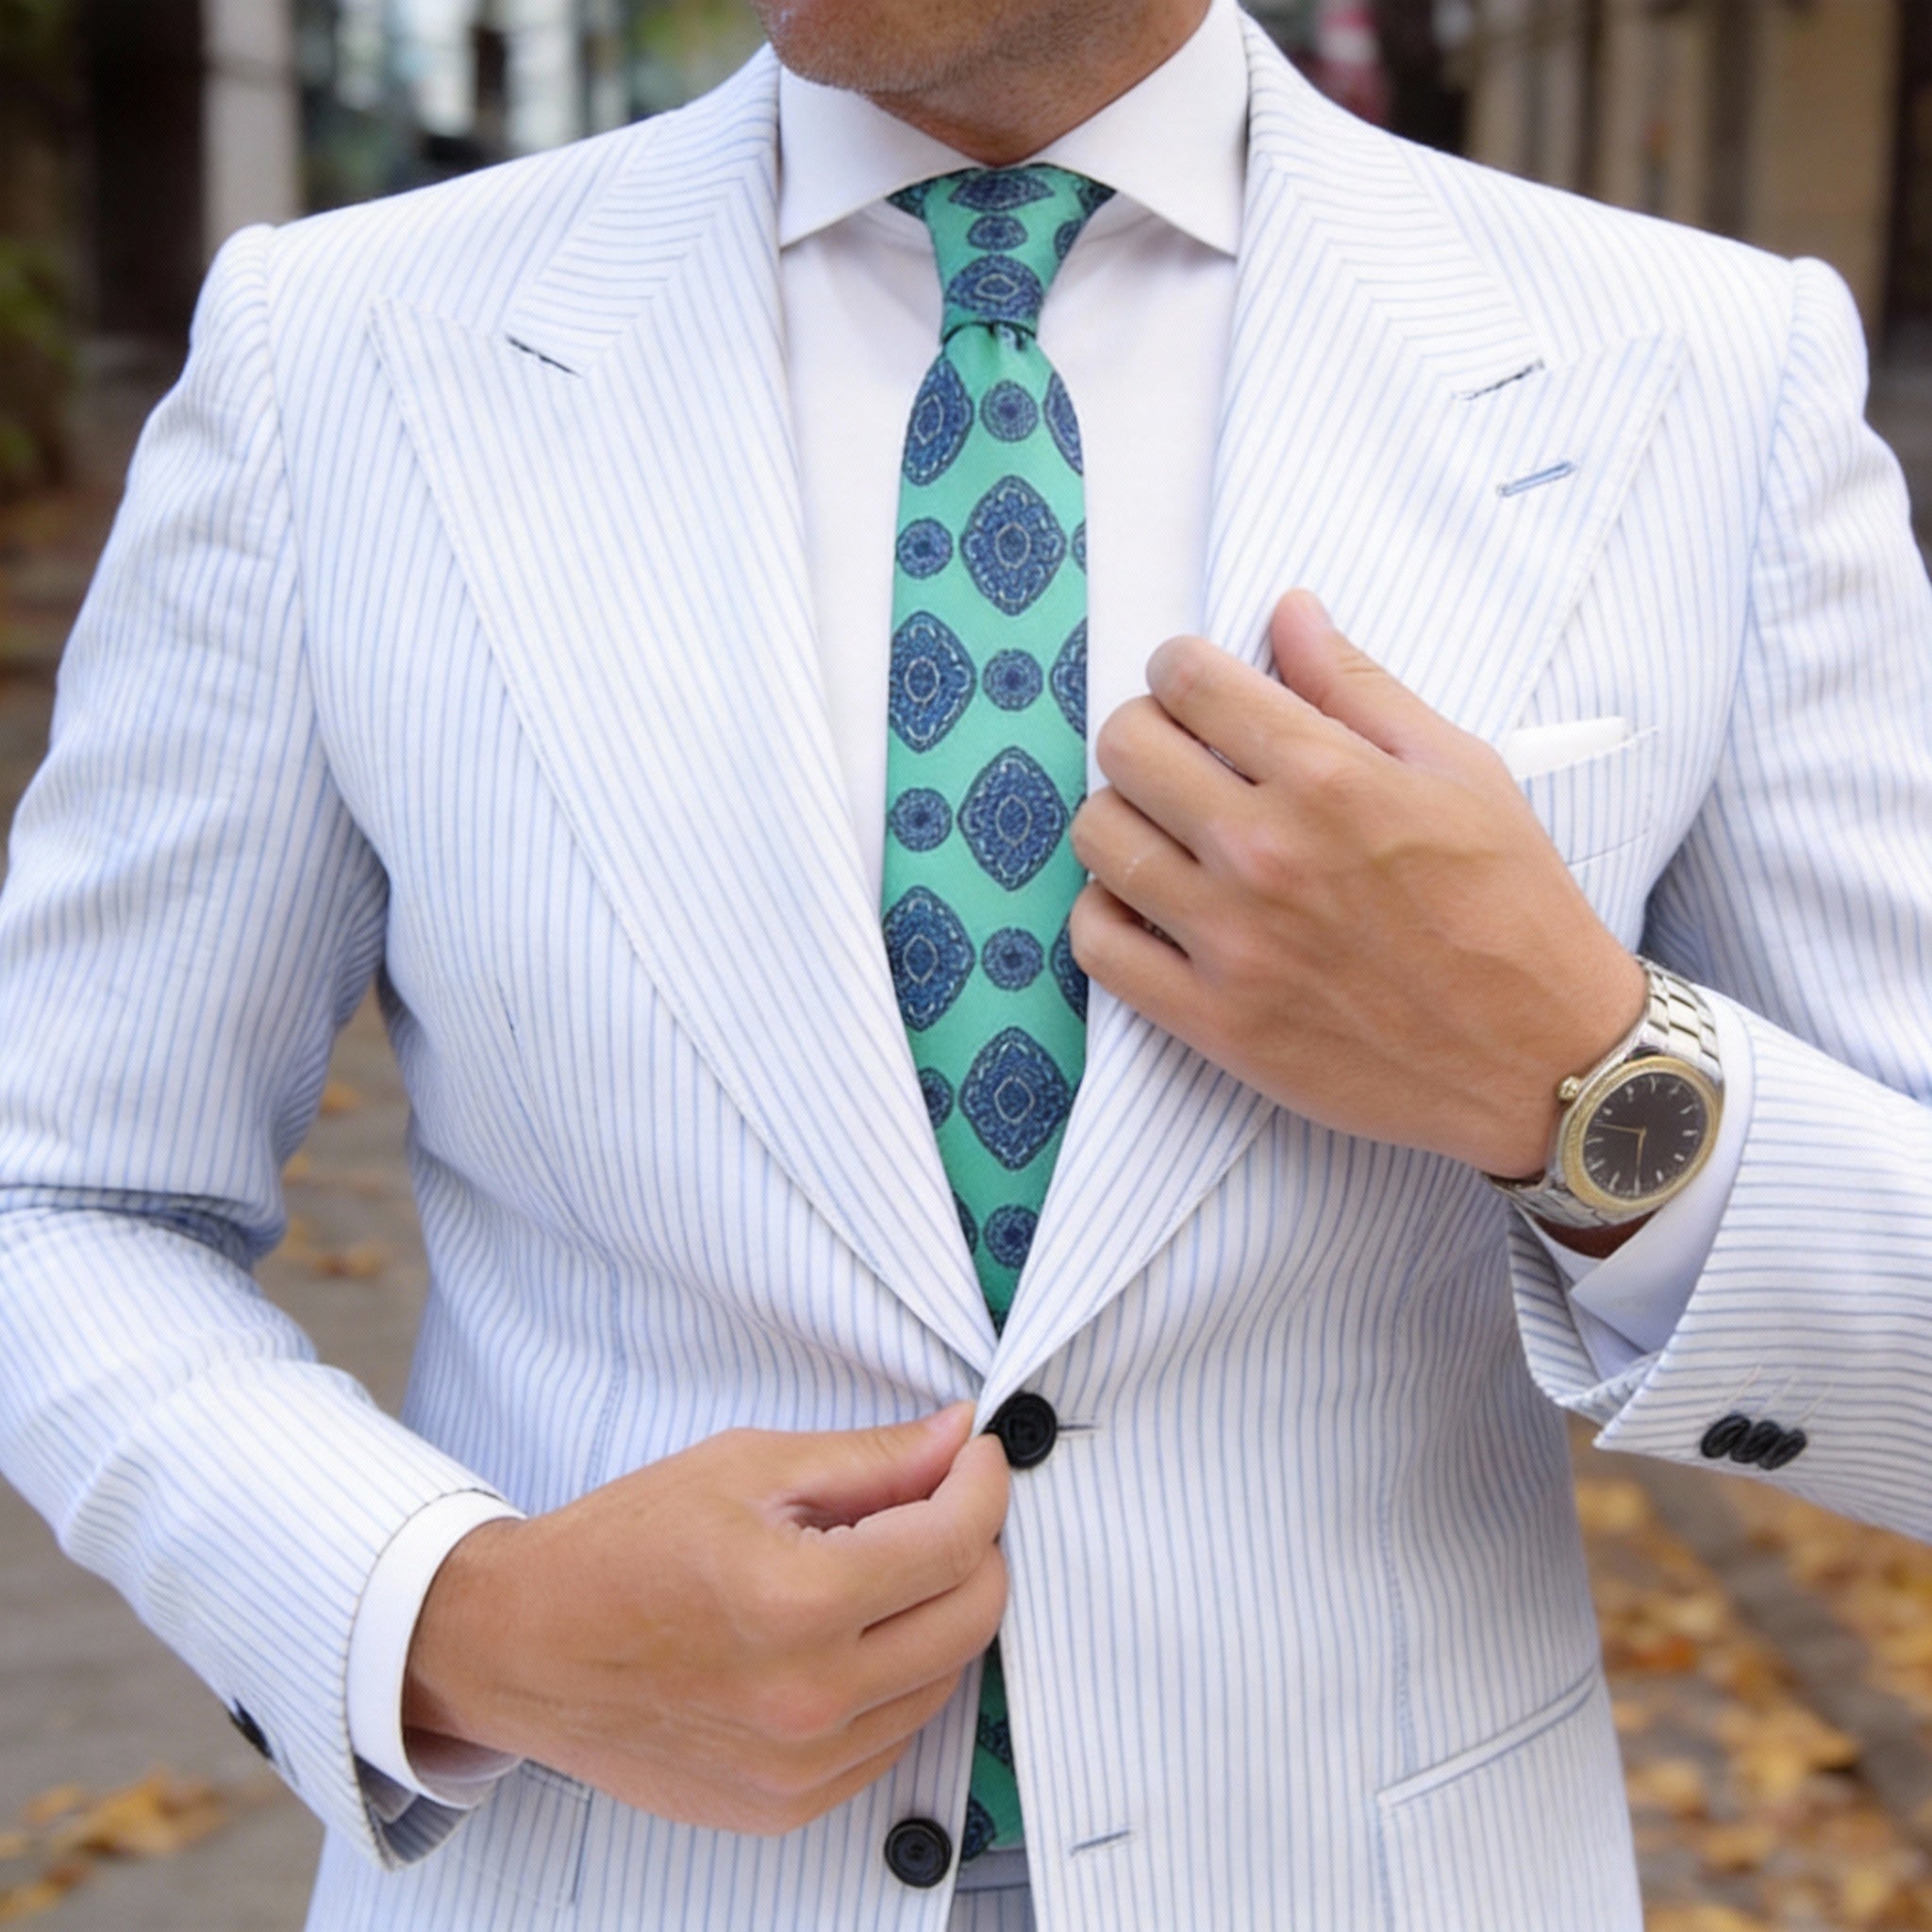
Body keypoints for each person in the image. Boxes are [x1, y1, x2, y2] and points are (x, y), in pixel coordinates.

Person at [1, 0, 1929, 1924]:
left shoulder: (1701, 375)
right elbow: (60, 1190)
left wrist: (1581, 1078)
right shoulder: (333, 353)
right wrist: (448, 1616)